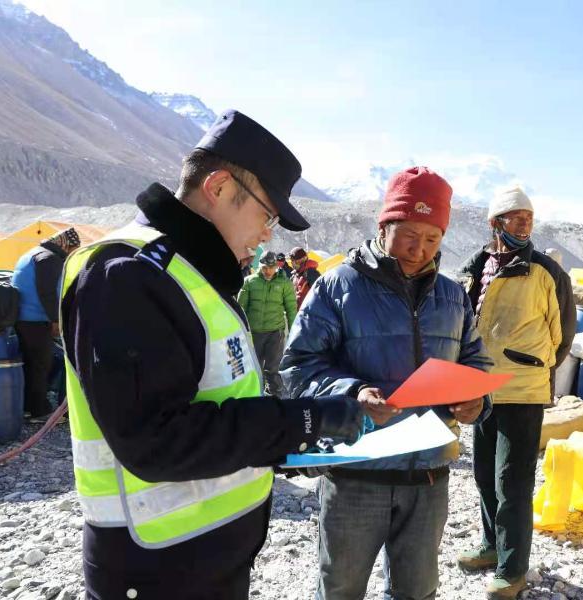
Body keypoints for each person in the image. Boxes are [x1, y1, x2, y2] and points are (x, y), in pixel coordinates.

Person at [59, 110, 365, 600]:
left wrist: (298, 444)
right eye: (267, 215)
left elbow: (224, 406)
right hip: (155, 568)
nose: (267, 235)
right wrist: (303, 420)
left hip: (204, 560)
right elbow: (157, 440)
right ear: (219, 187)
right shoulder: (128, 275)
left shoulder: (192, 275)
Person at [281, 166, 493, 600]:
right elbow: (299, 365)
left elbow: (475, 360)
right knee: (340, 589)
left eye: (432, 238)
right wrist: (353, 392)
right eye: (408, 235)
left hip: (428, 476)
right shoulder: (337, 287)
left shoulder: (453, 296)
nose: (419, 249)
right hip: (355, 473)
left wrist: (477, 399)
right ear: (384, 227)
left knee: (417, 590)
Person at [456, 187, 575, 599]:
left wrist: (530, 366)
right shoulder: (475, 267)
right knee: (483, 474)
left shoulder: (545, 272)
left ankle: (512, 568)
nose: (525, 224)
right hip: (480, 388)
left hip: (522, 390)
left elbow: (562, 337)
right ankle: (492, 545)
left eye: (529, 217)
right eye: (516, 217)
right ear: (495, 223)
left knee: (512, 482)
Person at [11, 227, 81, 421]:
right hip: (35, 320)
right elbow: (47, 293)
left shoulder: (33, 253)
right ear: (65, 245)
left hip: (23, 319)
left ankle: (28, 408)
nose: (73, 254)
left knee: (32, 365)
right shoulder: (49, 258)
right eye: (73, 249)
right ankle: (39, 411)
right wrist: (56, 319)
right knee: (40, 366)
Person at [237, 250, 298, 396]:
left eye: (272, 268)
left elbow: (291, 309)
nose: (268, 271)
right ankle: (254, 397)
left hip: (275, 333)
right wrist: (240, 332)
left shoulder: (284, 283)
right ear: (260, 266)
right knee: (253, 368)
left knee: (272, 370)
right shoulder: (249, 282)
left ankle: (274, 399)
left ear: (276, 267)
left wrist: (294, 333)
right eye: (265, 268)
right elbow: (240, 309)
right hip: (254, 333)